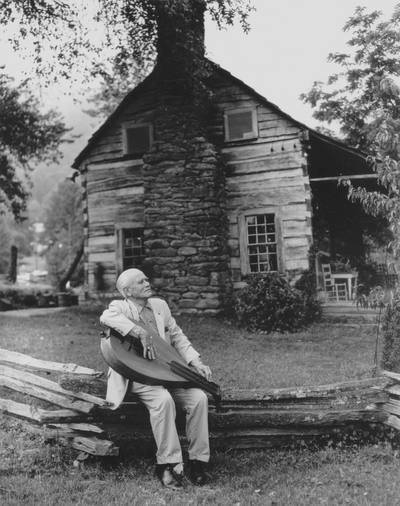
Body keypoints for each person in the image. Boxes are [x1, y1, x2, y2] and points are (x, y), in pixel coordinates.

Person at [100, 268, 212, 490]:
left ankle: (198, 461)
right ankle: (166, 465)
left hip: (165, 373)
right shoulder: (121, 306)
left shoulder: (160, 305)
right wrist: (138, 331)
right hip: (137, 376)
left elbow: (177, 336)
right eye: (140, 281)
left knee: (198, 397)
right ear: (127, 291)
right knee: (163, 401)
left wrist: (196, 362)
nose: (147, 282)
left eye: (146, 279)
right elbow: (106, 317)